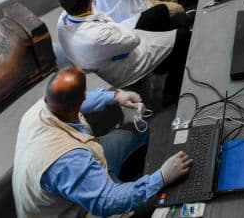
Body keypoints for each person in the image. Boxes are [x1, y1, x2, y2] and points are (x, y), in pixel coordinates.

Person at [12, 66, 192, 218]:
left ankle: (127, 177)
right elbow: (107, 201)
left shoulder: (45, 106)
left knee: (135, 132)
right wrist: (161, 177)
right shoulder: (68, 163)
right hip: (77, 208)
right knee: (158, 201)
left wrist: (115, 97)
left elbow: (75, 100)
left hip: (83, 160)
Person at [56, 0, 189, 101]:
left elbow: (103, 21)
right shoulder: (96, 36)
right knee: (184, 36)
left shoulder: (64, 19)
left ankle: (164, 63)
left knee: (160, 11)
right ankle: (172, 89)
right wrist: (113, 27)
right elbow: (134, 40)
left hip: (111, 41)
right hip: (124, 65)